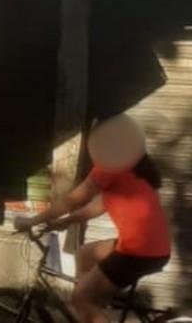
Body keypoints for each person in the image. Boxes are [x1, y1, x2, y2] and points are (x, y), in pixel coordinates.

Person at [15, 114, 171, 323]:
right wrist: (66, 222)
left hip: (138, 252)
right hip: (152, 249)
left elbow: (74, 200)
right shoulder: (135, 167)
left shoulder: (112, 165)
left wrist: (33, 220)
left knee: (80, 299)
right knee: (84, 254)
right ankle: (94, 311)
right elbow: (99, 206)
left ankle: (89, 307)